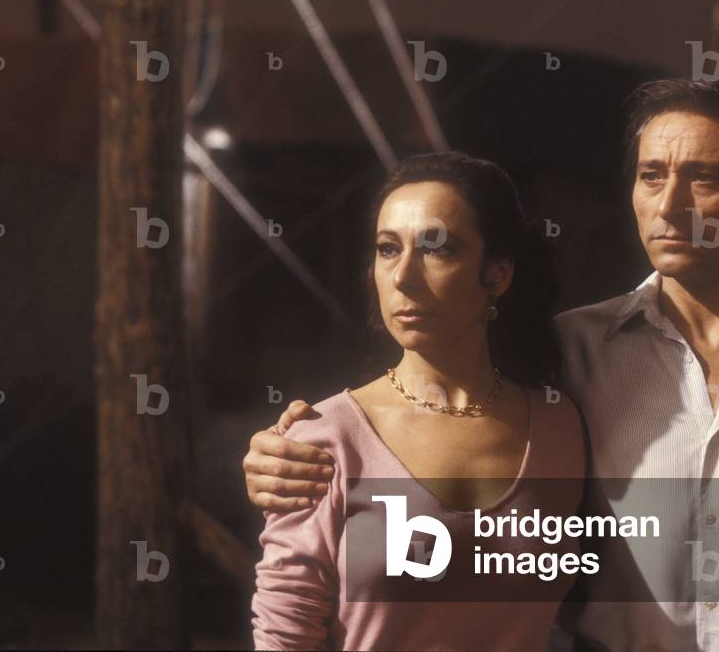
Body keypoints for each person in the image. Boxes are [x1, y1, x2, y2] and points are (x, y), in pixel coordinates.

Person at [243, 80, 719, 651]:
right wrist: (276, 453)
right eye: (651, 176)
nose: (671, 204)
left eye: (702, 177)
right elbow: (428, 401)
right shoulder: (569, 351)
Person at [250, 152, 585, 651]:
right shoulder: (325, 436)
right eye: (388, 249)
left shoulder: (560, 425)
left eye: (436, 249)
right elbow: (285, 631)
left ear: (497, 274)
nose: (403, 276)